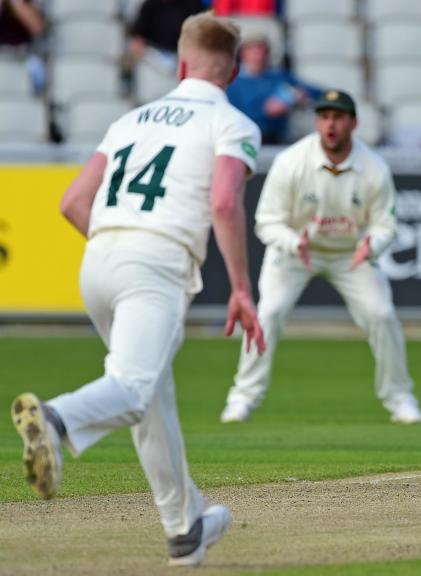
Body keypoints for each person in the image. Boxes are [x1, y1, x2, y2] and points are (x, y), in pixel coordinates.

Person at [10, 13, 266, 567]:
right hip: (157, 264)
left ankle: (184, 529)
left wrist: (115, 246)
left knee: (152, 398)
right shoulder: (234, 123)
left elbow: (72, 201)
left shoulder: (131, 119)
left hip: (98, 261)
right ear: (233, 71)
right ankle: (54, 421)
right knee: (130, 388)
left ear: (180, 63)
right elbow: (223, 202)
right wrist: (242, 288)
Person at [220, 89, 421, 425]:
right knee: (268, 313)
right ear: (317, 121)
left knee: (382, 314)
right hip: (294, 253)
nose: (330, 124)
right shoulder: (291, 162)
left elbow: (386, 224)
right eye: (324, 116)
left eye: (338, 117)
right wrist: (291, 242)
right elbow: (267, 221)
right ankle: (242, 397)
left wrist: (370, 245)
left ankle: (399, 397)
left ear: (353, 122)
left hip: (351, 254)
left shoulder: (374, 167)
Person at [226, 33, 321, 144]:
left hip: (279, 138)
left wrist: (301, 95)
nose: (258, 54)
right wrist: (265, 111)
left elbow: (316, 92)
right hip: (246, 139)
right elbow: (232, 115)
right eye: (252, 50)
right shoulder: (233, 82)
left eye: (262, 49)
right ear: (243, 54)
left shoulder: (279, 77)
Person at [128, 0, 206, 73]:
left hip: (185, 58)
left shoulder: (192, 3)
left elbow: (202, 32)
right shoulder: (149, 5)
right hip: (153, 60)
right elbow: (137, 37)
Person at [0, 0, 46, 94]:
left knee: (36, 67)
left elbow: (38, 30)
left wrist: (16, 3)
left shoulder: (28, 3)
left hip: (25, 56)